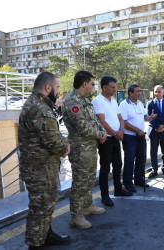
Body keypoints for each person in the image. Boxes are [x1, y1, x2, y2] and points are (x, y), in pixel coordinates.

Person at [19, 72, 71, 249]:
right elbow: (53, 141)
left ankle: (46, 235)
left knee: (45, 205)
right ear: (48, 88)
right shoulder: (40, 109)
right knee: (40, 208)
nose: (58, 92)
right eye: (56, 88)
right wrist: (65, 148)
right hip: (40, 169)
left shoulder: (35, 104)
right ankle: (35, 244)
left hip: (40, 167)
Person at [62, 71, 107, 230]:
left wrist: (102, 131)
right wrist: (99, 134)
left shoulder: (85, 101)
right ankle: (76, 216)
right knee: (80, 182)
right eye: (93, 83)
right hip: (80, 149)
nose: (94, 86)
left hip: (90, 147)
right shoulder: (72, 101)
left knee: (88, 179)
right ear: (84, 84)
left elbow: (94, 120)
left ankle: (87, 205)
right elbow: (82, 127)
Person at [92, 76, 133, 207]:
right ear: (104, 87)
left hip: (116, 138)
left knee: (117, 165)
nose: (115, 90)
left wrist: (121, 131)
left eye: (115, 87)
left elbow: (120, 118)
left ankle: (118, 189)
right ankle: (105, 196)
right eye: (113, 87)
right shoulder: (98, 101)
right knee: (105, 168)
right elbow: (102, 122)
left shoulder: (114, 101)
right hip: (106, 139)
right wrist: (115, 133)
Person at [118, 84, 157, 192]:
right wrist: (137, 130)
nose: (139, 93)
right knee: (129, 160)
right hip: (129, 137)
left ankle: (139, 179)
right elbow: (124, 122)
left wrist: (150, 118)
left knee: (141, 159)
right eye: (137, 91)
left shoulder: (139, 103)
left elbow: (144, 117)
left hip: (140, 136)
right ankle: (127, 183)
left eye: (140, 91)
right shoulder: (124, 105)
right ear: (130, 93)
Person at [147, 85, 164, 179]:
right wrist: (157, 127)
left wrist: (163, 127)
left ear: (163, 92)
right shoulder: (150, 103)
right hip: (153, 131)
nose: (157, 94)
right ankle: (154, 170)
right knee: (153, 151)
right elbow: (149, 117)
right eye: (155, 92)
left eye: (159, 91)